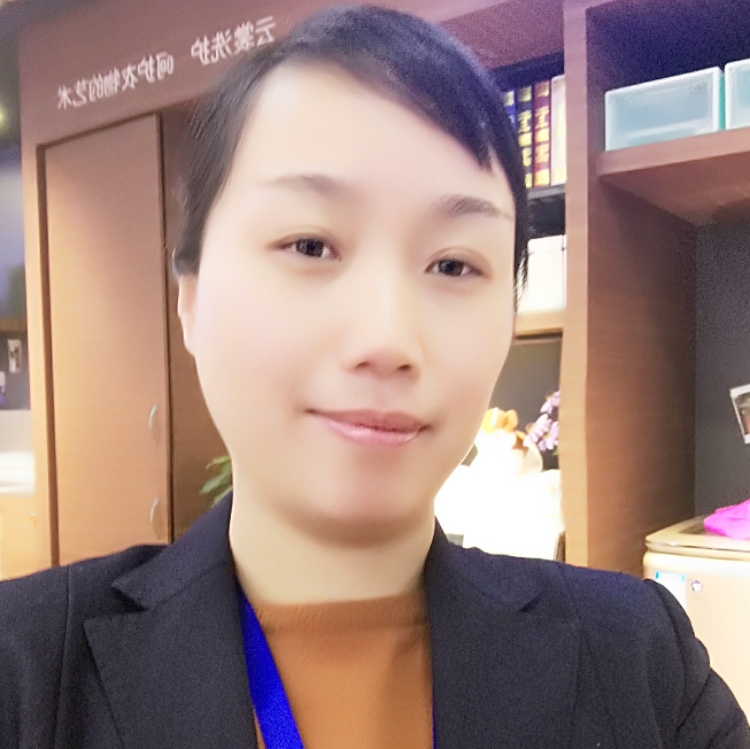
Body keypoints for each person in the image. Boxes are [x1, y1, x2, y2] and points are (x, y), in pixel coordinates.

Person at [1, 5, 748, 748]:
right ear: (189, 299)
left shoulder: (641, 663)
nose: (386, 339)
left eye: (453, 264)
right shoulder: (24, 673)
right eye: (310, 245)